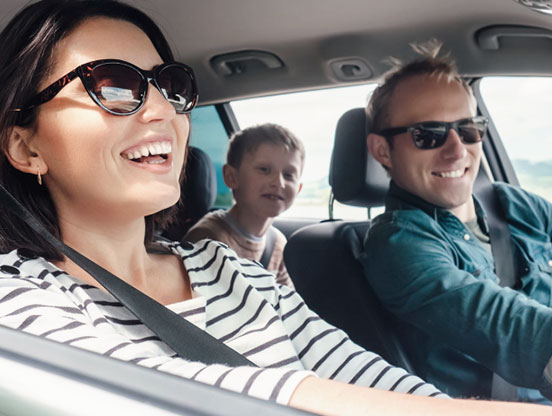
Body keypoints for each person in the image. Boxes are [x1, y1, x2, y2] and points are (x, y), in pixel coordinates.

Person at [0, 1, 547, 415]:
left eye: (170, 86)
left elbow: (366, 377)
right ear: (25, 145)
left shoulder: (229, 270)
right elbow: (169, 390)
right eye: (113, 86)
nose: (162, 110)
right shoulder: (19, 294)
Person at [362, 40, 552, 403]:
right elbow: (510, 326)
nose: (457, 150)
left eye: (468, 129)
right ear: (383, 150)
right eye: (428, 134)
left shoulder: (514, 204)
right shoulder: (398, 244)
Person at [185, 123, 303, 289]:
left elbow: (287, 303)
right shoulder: (208, 238)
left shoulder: (277, 242)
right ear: (232, 177)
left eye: (289, 174)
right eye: (264, 169)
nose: (279, 183)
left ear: (298, 189)